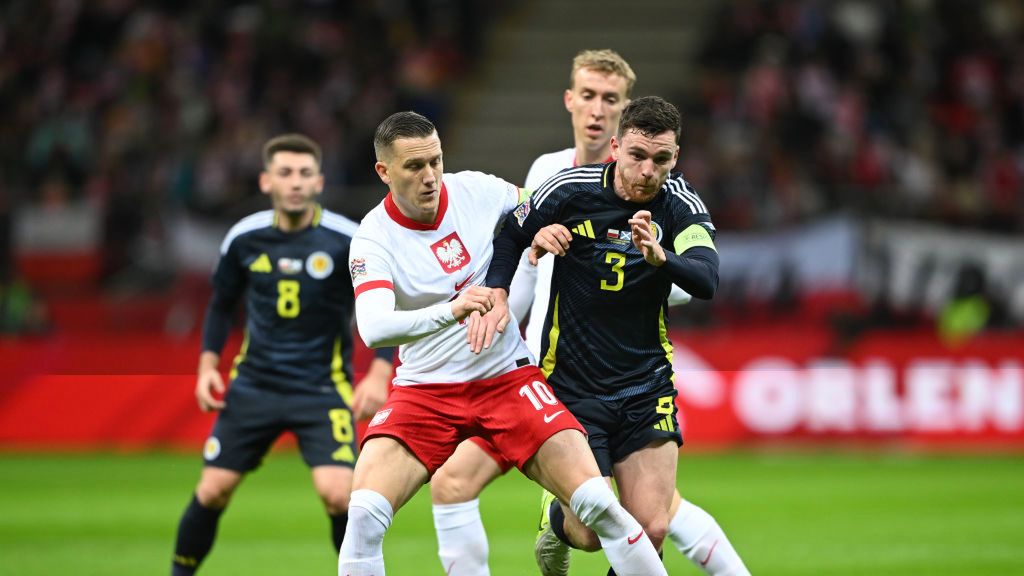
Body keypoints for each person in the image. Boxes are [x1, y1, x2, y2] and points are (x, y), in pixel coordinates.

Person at [430, 50, 749, 576]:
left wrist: (662, 258)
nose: (649, 172)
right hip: (569, 383)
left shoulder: (681, 205)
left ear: (675, 156)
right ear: (618, 146)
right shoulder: (564, 184)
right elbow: (511, 231)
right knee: (588, 530)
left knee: (653, 528)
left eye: (663, 161)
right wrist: (502, 291)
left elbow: (707, 279)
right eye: (639, 156)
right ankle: (556, 526)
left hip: (646, 384)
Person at [338, 111, 668, 576]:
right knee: (364, 518)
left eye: (435, 161)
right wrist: (453, 309)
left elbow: (538, 207)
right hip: (424, 391)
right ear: (383, 171)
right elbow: (374, 327)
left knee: (600, 508)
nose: (430, 176)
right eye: (414, 167)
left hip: (507, 378)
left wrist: (541, 229)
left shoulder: (476, 189)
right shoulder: (373, 237)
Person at [170, 134, 395, 575]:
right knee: (213, 490)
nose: (295, 182)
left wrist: (378, 373)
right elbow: (219, 305)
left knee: (338, 493)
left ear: (320, 182)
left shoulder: (348, 240)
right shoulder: (244, 238)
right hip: (255, 384)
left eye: (305, 173)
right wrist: (207, 366)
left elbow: (386, 302)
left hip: (321, 388)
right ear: (266, 180)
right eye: (286, 173)